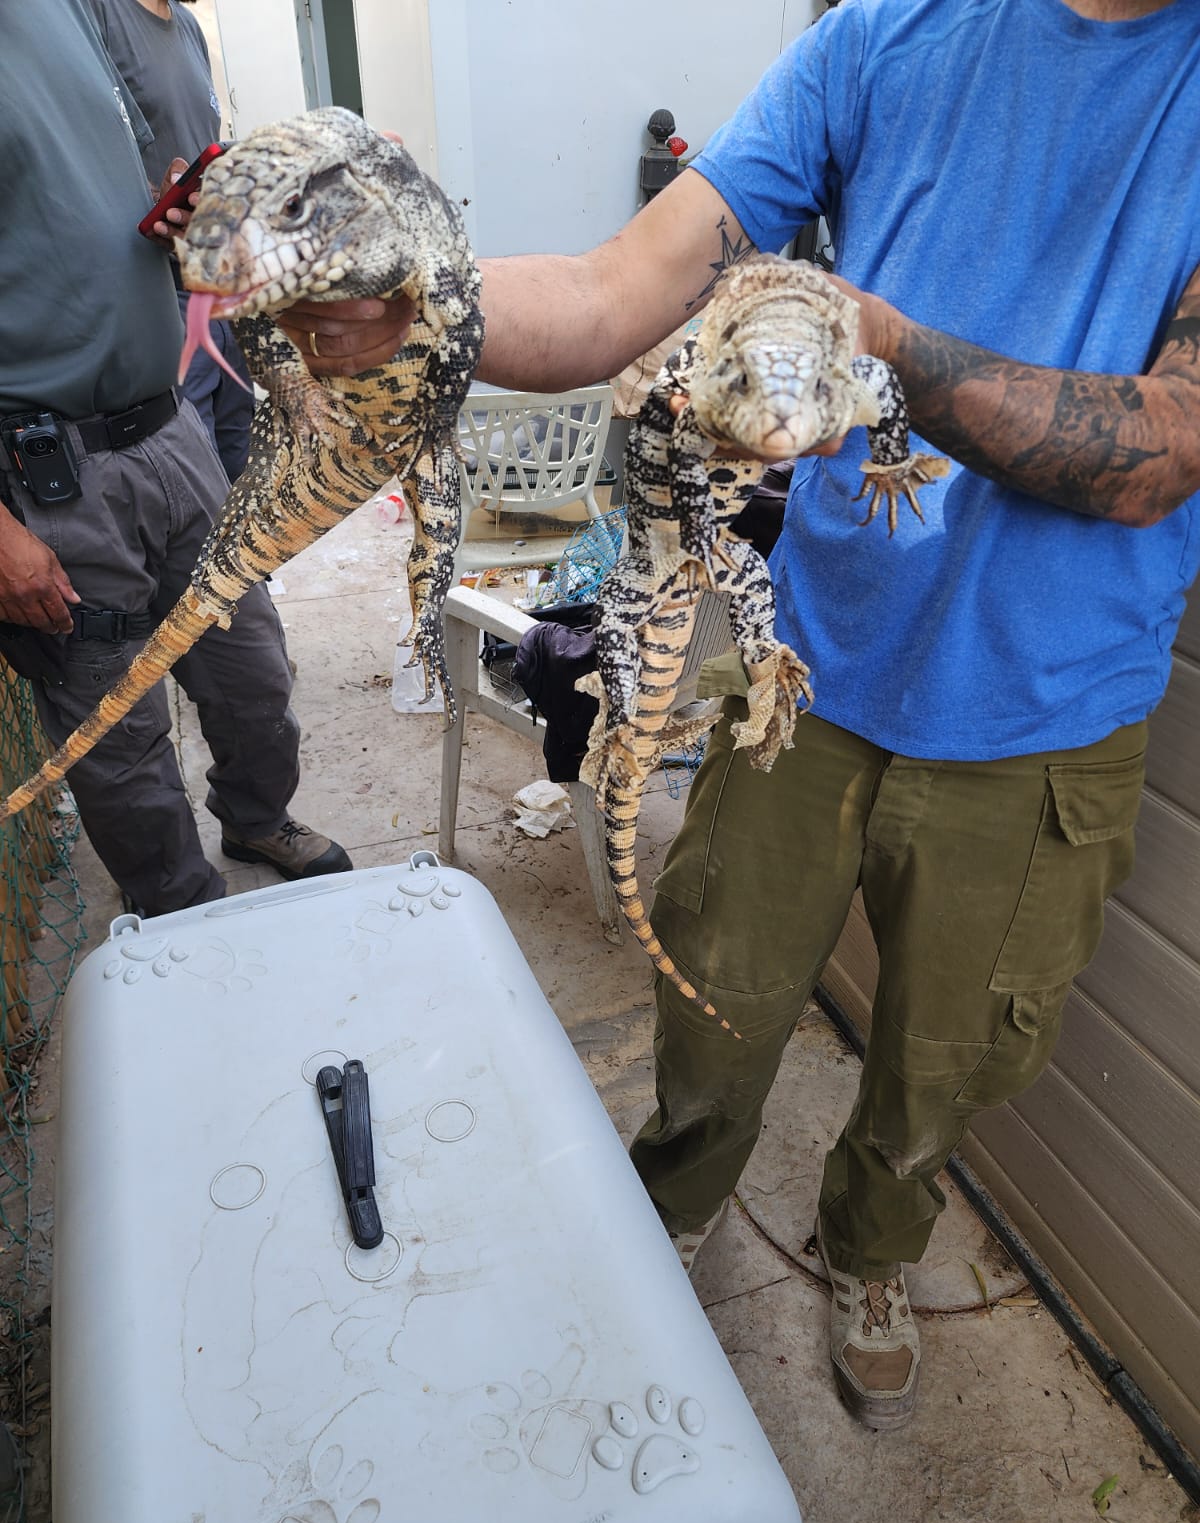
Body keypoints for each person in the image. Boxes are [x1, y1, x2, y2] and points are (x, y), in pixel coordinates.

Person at [287, 0, 1200, 1430]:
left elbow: (1164, 450)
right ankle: (677, 1203)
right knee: (716, 980)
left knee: (949, 1059)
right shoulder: (884, 38)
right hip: (810, 666)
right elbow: (611, 292)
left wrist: (880, 346)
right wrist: (425, 308)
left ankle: (873, 1251)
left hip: (1049, 709)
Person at [0, 0, 351, 918]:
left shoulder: (75, 15)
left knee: (252, 669)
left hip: (172, 428)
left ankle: (255, 817)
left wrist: (169, 221)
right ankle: (182, 914)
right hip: (52, 476)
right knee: (119, 732)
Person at [86, 0, 255, 484]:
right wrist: (156, 201)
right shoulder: (97, 14)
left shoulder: (187, 25)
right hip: (162, 293)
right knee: (198, 473)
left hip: (220, 285)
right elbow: (86, 156)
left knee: (240, 457)